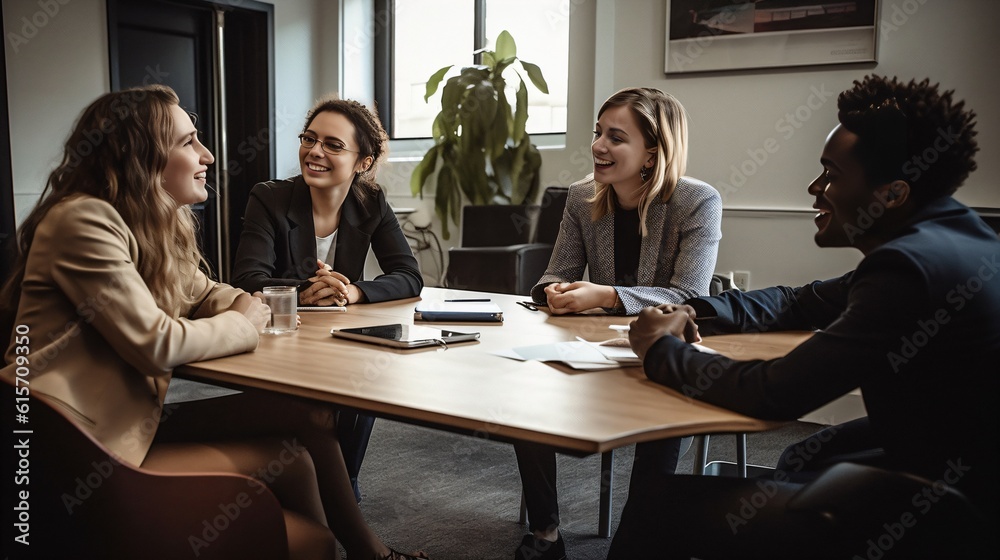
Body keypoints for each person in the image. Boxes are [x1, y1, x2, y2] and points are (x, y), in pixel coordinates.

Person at [0, 85, 426, 560]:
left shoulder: (149, 222)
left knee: (303, 423)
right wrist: (247, 317)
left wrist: (247, 304)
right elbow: (157, 344)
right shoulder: (83, 221)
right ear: (140, 155)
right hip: (80, 448)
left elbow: (205, 294)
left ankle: (365, 552)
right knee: (310, 532)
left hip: (130, 419)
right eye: (188, 142)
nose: (206, 154)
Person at [609, 75, 998, 559]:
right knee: (804, 455)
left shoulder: (909, 271)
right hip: (951, 456)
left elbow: (774, 392)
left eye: (831, 174)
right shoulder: (956, 238)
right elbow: (798, 301)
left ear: (893, 193)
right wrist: (692, 309)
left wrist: (659, 349)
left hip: (959, 510)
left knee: (661, 506)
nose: (815, 189)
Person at [514, 87, 722, 560]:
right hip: (593, 352)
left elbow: (690, 296)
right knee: (522, 399)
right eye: (598, 133)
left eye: (616, 137)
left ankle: (635, 544)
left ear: (652, 152)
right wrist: (552, 291)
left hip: (665, 354)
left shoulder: (697, 201)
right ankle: (544, 533)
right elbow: (554, 273)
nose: (598, 147)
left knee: (664, 422)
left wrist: (606, 296)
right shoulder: (582, 197)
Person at [232, 96, 423, 502]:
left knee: (370, 369)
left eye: (333, 145)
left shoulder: (370, 203)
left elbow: (409, 276)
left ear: (363, 162)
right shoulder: (269, 198)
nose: (315, 151)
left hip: (335, 336)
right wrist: (307, 289)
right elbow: (248, 279)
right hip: (280, 337)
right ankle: (325, 492)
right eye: (309, 138)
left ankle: (343, 486)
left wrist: (354, 291)